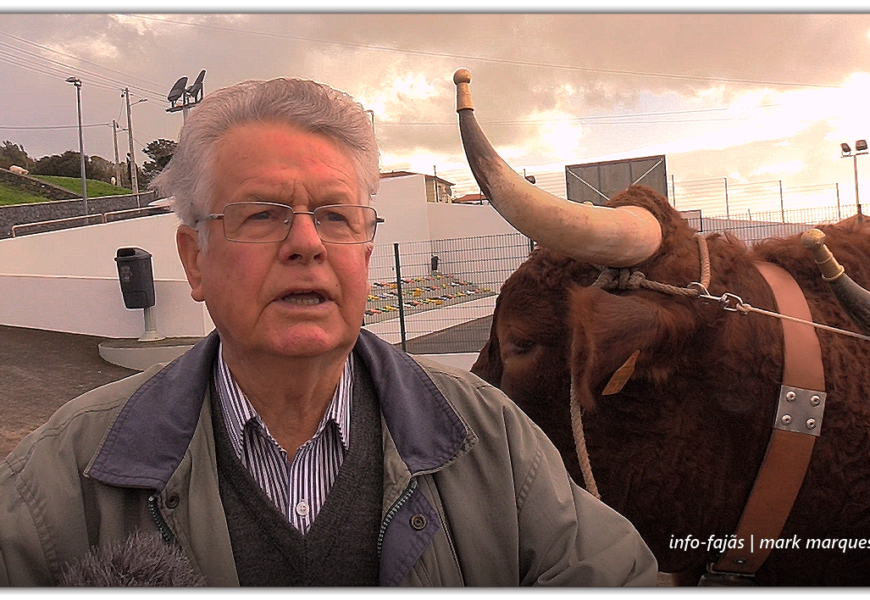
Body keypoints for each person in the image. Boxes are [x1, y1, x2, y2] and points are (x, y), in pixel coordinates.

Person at [0, 77, 657, 586]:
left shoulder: (491, 437)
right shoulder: (66, 472)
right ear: (195, 259)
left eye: (338, 217)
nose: (307, 243)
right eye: (263, 214)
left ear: (366, 250)